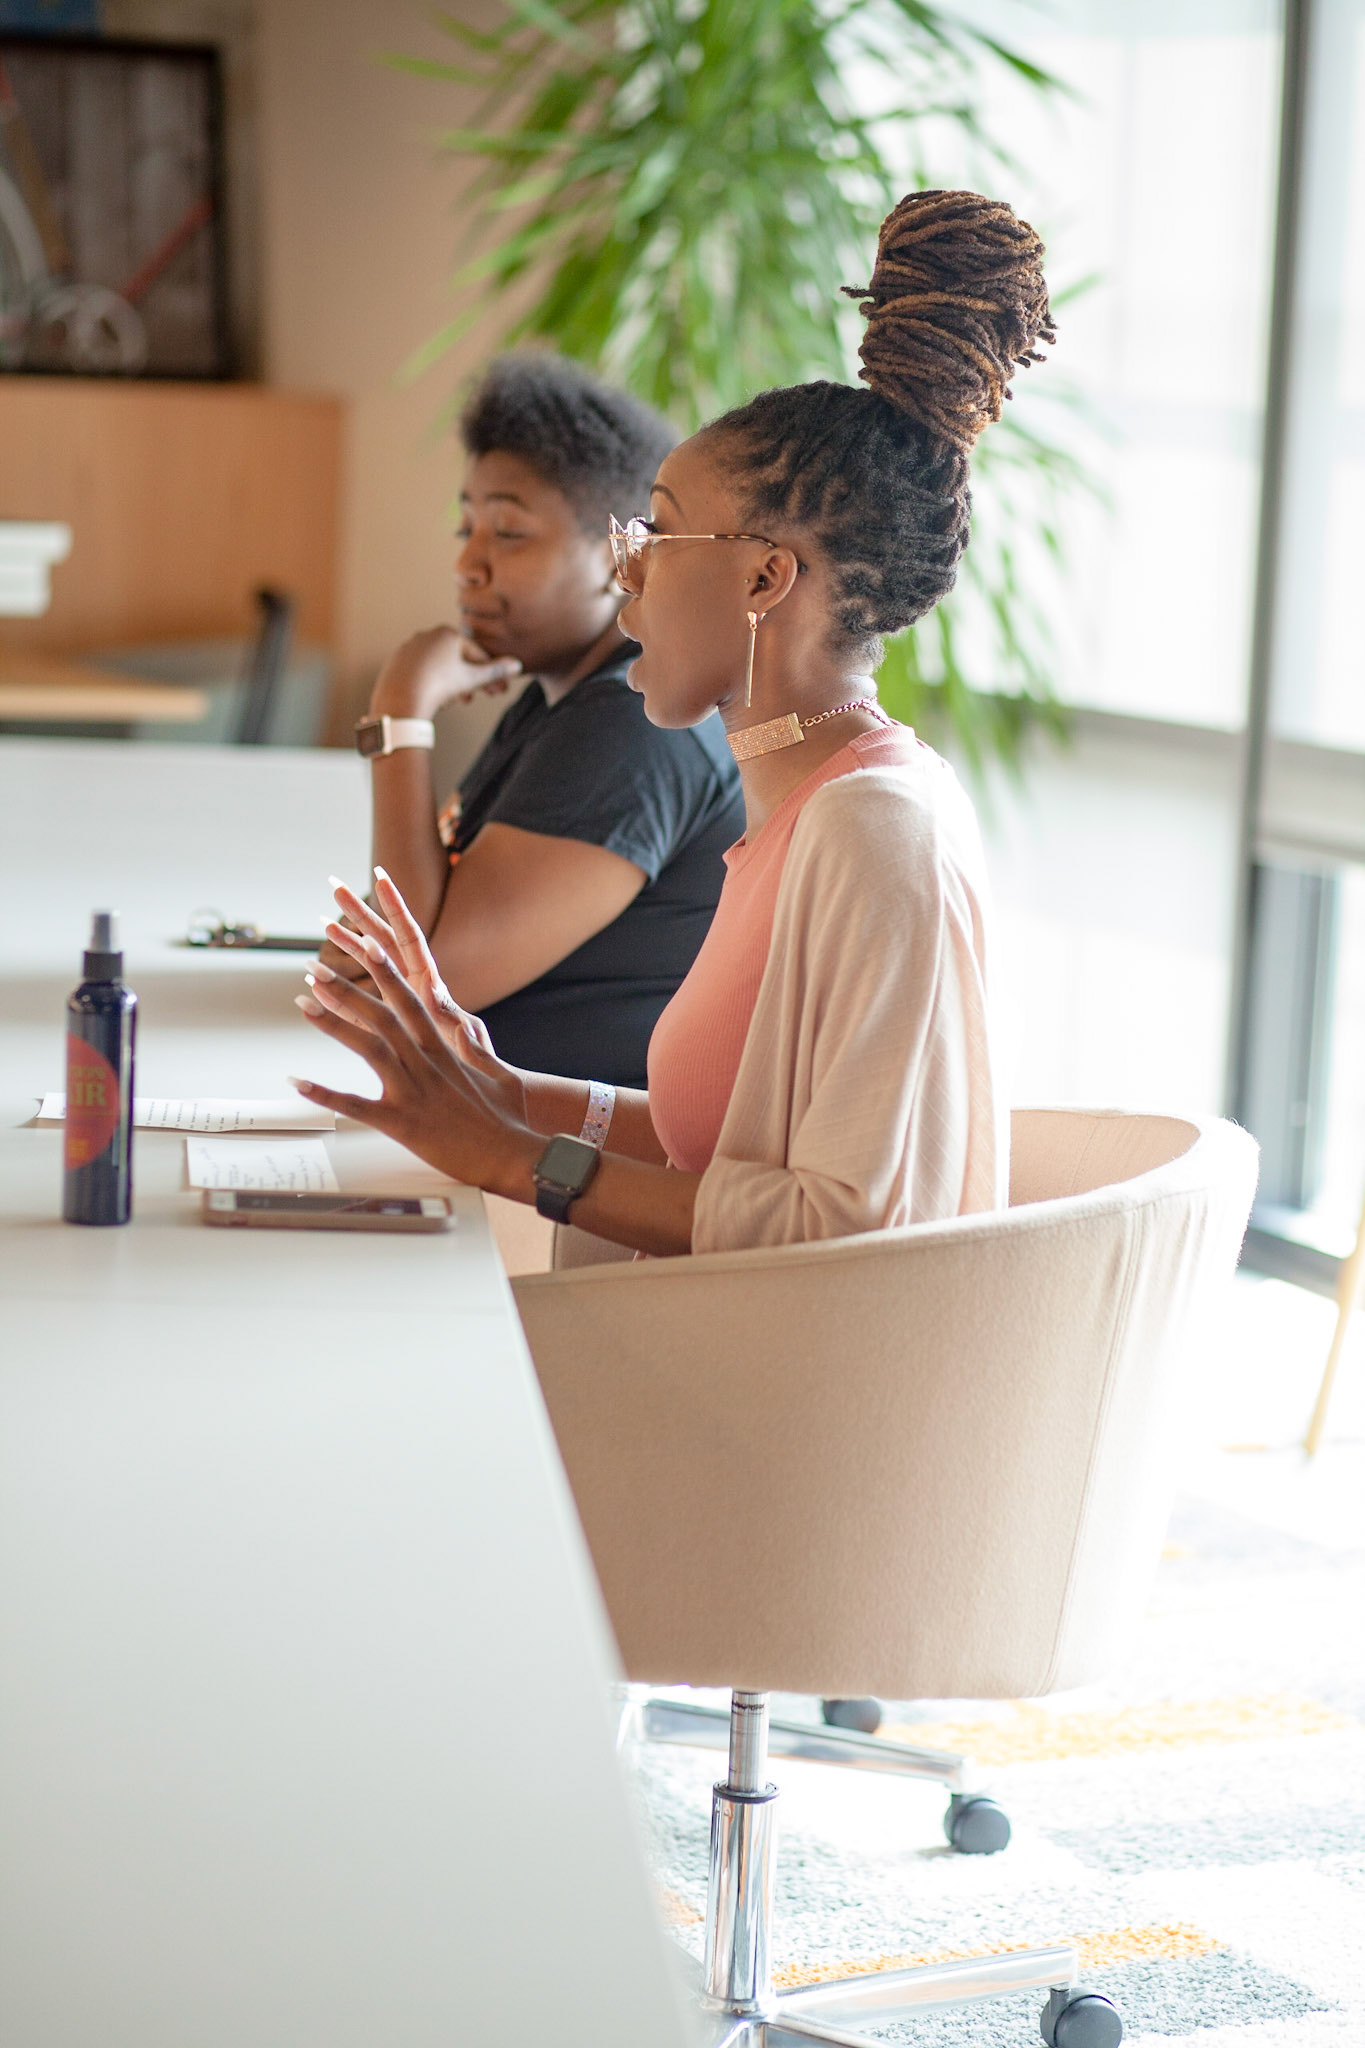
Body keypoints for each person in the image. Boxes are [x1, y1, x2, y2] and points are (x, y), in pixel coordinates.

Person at [291, 189, 1054, 1259]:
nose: (628, 572)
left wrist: (516, 1158)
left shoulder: (874, 830)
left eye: (658, 532)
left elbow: (846, 1226)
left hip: (749, 1355)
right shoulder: (804, 802)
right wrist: (501, 1092)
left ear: (764, 578)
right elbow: (732, 1149)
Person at [334, 353, 745, 1087]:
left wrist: (400, 709)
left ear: (615, 556)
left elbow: (407, 994)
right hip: (490, 1112)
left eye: (508, 532)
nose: (468, 563)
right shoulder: (558, 697)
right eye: (466, 527)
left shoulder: (630, 724)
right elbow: (370, 956)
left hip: (575, 1144)